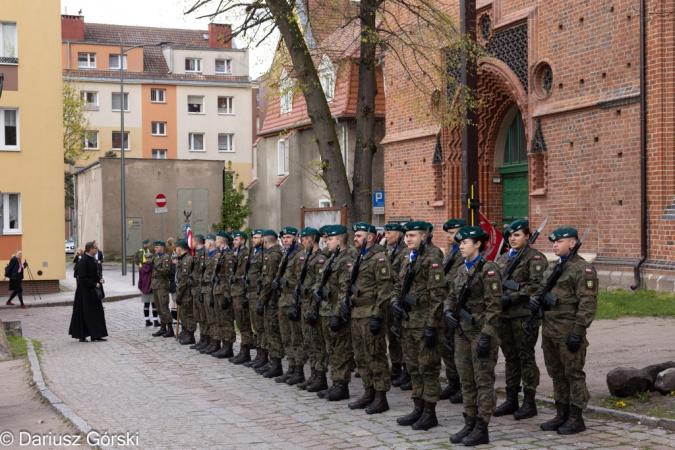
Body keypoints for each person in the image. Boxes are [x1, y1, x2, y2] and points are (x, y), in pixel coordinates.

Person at [529, 227, 598, 435]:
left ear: (573, 243)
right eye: (554, 242)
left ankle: (576, 418)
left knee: (573, 373)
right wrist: (535, 301)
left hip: (569, 330)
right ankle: (562, 414)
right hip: (549, 328)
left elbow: (588, 303)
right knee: (557, 373)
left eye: (560, 241)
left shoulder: (582, 269)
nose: (555, 245)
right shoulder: (553, 267)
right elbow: (541, 290)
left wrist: (578, 331)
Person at [444, 226, 502, 446]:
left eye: (464, 242)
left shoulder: (489, 270)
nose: (460, 247)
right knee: (466, 380)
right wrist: (448, 311)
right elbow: (450, 296)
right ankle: (469, 421)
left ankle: (482, 426)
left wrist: (487, 335)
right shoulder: (461, 270)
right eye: (459, 243)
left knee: (483, 380)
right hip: (462, 333)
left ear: (478, 244)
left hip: (480, 334)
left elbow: (494, 307)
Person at [392, 221, 446, 431]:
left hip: (424, 322)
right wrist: (395, 302)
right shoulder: (408, 256)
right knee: (413, 367)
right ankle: (418, 407)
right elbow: (398, 284)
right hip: (408, 321)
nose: (408, 239)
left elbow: (438, 295)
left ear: (425, 236)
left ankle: (430, 412)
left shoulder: (433, 257)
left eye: (413, 235)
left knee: (428, 368)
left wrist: (432, 325)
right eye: (407, 235)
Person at [494, 219, 547, 420]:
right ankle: (511, 399)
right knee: (510, 358)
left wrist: (512, 297)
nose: (512, 239)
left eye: (517, 235)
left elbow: (537, 286)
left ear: (527, 236)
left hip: (524, 316)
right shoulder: (503, 259)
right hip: (503, 316)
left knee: (525, 358)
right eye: (510, 235)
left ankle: (529, 402)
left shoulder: (535, 259)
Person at [343, 222, 393, 414]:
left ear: (370, 237)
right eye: (355, 235)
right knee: (361, 356)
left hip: (371, 313)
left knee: (375, 355)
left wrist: (378, 315)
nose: (355, 238)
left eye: (358, 235)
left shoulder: (379, 259)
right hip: (357, 314)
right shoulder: (358, 257)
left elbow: (385, 289)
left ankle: (381, 397)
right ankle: (368, 392)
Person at [313, 225, 354, 402]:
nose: (326, 242)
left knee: (341, 350)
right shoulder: (332, 258)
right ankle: (335, 383)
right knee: (332, 349)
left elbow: (345, 289)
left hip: (336, 311)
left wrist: (338, 314)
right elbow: (320, 280)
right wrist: (317, 290)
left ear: (340, 239)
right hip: (326, 309)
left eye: (329, 239)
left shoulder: (347, 259)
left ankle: (341, 385)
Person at [296, 227, 328, 391]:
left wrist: (314, 307)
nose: (301, 242)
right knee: (308, 341)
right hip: (304, 303)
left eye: (303, 239)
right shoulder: (308, 258)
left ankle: (321, 377)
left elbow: (319, 283)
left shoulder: (320, 258)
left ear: (310, 239)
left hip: (314, 305)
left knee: (317, 342)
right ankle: (314, 374)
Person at [440, 218, 466, 403]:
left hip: (458, 306)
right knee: (447, 347)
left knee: (459, 350)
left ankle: (464, 386)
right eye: (448, 233)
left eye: (452, 232)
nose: (449, 236)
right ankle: (453, 383)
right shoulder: (451, 253)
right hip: (446, 305)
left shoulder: (465, 254)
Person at [274, 227, 304, 384]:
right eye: (283, 237)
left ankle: (299, 370)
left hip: (292, 300)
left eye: (288, 237)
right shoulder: (286, 254)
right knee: (286, 336)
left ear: (296, 238)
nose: (285, 240)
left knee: (295, 337)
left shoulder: (300, 256)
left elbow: (302, 281)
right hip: (283, 300)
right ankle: (291, 367)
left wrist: (287, 283)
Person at [256, 229, 284, 378]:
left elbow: (268, 281)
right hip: (272, 298)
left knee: (272, 332)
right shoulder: (274, 253)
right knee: (269, 331)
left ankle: (276, 364)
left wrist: (261, 300)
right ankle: (272, 362)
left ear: (265, 241)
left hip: (272, 300)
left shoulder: (272, 256)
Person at [69, 241, 108, 342]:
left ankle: (96, 334)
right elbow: (81, 277)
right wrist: (94, 284)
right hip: (85, 293)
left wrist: (99, 279)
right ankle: (83, 335)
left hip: (93, 292)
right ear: (91, 249)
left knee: (97, 313)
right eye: (96, 247)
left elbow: (95, 273)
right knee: (85, 313)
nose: (97, 249)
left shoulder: (92, 259)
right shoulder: (84, 260)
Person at [211, 231, 237, 359]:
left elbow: (229, 278)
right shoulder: (220, 255)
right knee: (219, 319)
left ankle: (228, 347)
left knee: (226, 320)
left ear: (220, 241)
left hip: (224, 292)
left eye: (216, 239)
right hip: (217, 290)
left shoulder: (229, 256)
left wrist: (227, 296)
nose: (215, 242)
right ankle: (222, 344)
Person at [244, 229, 268, 370]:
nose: (253, 239)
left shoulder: (264, 254)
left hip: (259, 295)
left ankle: (263, 356)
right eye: (252, 237)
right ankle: (259, 355)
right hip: (251, 293)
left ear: (263, 239)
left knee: (261, 327)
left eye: (256, 237)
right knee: (256, 327)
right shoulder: (253, 253)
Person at [229, 231, 253, 363]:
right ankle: (243, 350)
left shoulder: (246, 255)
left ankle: (246, 351)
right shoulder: (235, 253)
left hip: (242, 292)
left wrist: (235, 277)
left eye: (236, 239)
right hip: (235, 291)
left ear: (243, 241)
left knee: (244, 323)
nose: (234, 242)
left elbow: (245, 274)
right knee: (239, 322)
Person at [150, 241, 174, 338]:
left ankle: (170, 329)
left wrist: (155, 266)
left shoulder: (166, 258)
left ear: (162, 248)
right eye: (155, 247)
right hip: (156, 285)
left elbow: (166, 272)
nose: (155, 249)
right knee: (159, 308)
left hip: (162, 286)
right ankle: (163, 328)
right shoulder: (158, 258)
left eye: (157, 247)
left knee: (164, 308)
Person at [175, 240, 196, 345]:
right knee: (183, 313)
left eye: (176, 249)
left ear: (179, 249)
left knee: (188, 314)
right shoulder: (182, 260)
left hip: (186, 292)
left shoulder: (187, 260)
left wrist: (179, 294)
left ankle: (190, 335)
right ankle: (185, 331)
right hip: (182, 291)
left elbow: (184, 279)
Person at [138, 252, 158, 326]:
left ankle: (147, 320)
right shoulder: (153, 267)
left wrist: (141, 287)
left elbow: (140, 279)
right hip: (152, 287)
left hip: (145, 288)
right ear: (151, 258)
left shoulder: (142, 267)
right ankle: (155, 321)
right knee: (154, 305)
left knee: (146, 305)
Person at [170, 254, 178, 326]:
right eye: (176, 259)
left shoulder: (171, 267)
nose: (177, 261)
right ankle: (175, 319)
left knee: (174, 302)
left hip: (172, 286)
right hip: (175, 286)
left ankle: (174, 318)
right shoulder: (174, 267)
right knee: (175, 303)